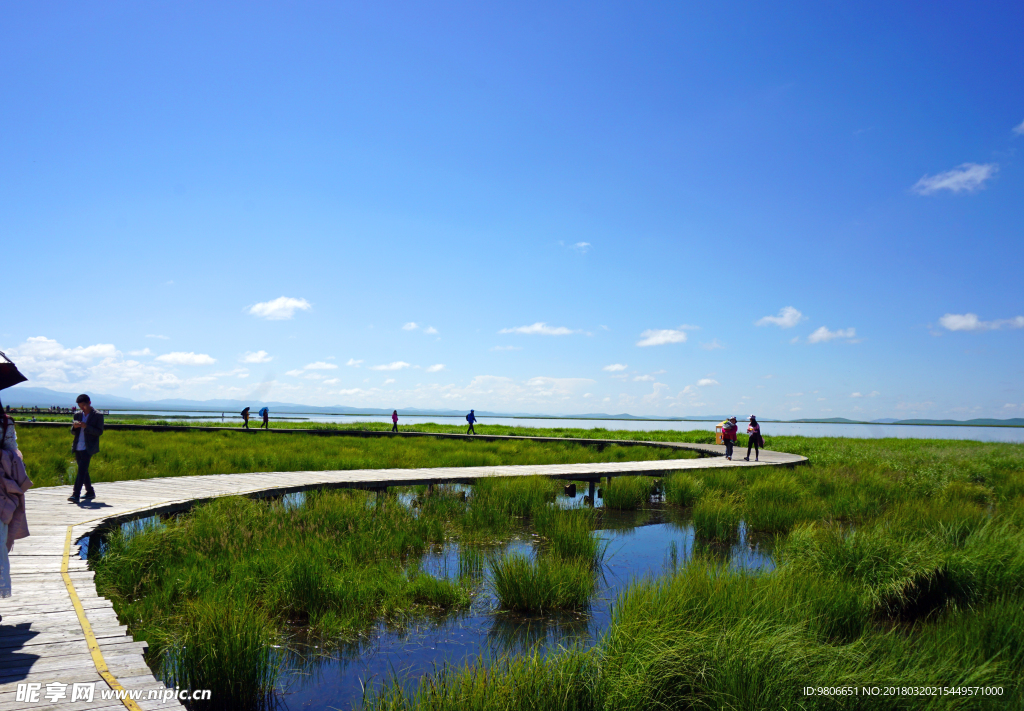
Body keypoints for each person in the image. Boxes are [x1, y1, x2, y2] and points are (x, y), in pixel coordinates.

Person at [69, 394, 104, 503]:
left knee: (81, 471)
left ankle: (76, 494)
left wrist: (86, 427)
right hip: (77, 446)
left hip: (88, 448)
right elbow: (72, 432)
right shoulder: (77, 415)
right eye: (80, 406)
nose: (82, 408)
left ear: (89, 402)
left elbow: (99, 432)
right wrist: (74, 427)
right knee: (83, 470)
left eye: (84, 405)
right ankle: (90, 492)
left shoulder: (98, 415)